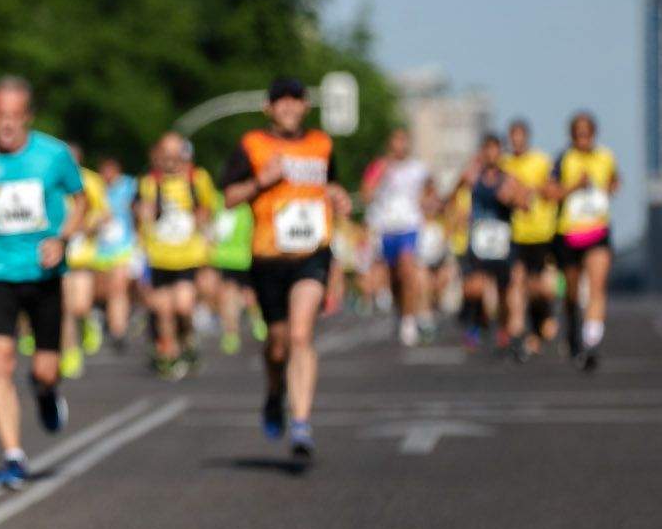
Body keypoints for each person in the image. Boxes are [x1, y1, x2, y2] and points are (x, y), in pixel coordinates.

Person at [0, 76, 85, 489]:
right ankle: (12, 454)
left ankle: (46, 392)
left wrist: (62, 238)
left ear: (27, 116)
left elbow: (81, 203)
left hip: (44, 275)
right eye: (0, 116)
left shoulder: (53, 155)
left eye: (15, 117)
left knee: (45, 369)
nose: (7, 125)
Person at [219, 78, 350, 461]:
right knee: (277, 345)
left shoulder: (322, 145)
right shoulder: (252, 145)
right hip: (268, 257)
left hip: (312, 252)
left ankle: (302, 422)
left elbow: (333, 185)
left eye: (296, 100)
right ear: (269, 108)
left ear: (306, 106)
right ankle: (274, 393)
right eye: (281, 102)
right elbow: (228, 197)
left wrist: (338, 196)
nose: (289, 107)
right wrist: (261, 181)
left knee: (300, 333)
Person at [137, 133, 220, 379]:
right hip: (160, 256)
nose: (171, 160)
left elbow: (209, 209)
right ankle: (169, 354)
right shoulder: (149, 183)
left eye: (176, 154)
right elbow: (143, 217)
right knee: (163, 311)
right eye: (166, 154)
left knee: (183, 306)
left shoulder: (198, 179)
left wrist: (204, 233)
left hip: (188, 256)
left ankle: (188, 340)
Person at [553, 111, 617, 370]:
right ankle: (572, 327)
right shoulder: (564, 159)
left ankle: (591, 342)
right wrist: (575, 187)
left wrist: (610, 188)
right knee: (571, 291)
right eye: (579, 134)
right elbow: (550, 192)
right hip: (569, 233)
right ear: (572, 135)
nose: (583, 138)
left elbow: (614, 180)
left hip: (598, 231)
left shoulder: (605, 157)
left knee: (597, 286)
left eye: (587, 133)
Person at [360, 128, 436, 346]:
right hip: (386, 228)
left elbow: (430, 192)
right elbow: (366, 194)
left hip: (409, 226)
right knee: (395, 279)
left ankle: (409, 321)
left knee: (407, 269)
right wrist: (380, 175)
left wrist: (428, 203)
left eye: (404, 141)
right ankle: (401, 313)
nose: (400, 146)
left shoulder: (418, 169)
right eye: (396, 141)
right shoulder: (380, 166)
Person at [449, 133, 519, 351]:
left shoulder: (508, 179)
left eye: (495, 149)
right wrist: (457, 214)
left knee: (503, 291)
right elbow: (452, 194)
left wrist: (512, 199)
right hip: (478, 239)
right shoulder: (472, 176)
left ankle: (504, 329)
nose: (491, 153)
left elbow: (523, 202)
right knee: (474, 288)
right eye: (487, 148)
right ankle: (475, 326)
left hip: (501, 241)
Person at [501, 118, 558, 360]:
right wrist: (513, 197)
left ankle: (542, 319)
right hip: (516, 235)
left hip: (542, 234)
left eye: (520, 137)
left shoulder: (541, 161)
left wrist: (531, 190)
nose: (516, 142)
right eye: (512, 137)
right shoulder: (504, 165)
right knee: (516, 284)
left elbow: (553, 190)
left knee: (542, 289)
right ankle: (516, 335)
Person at [60, 164, 110, 378]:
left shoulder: (91, 181)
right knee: (65, 307)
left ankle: (89, 321)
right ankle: (70, 352)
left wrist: (87, 226)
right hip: (59, 255)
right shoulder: (52, 180)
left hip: (83, 254)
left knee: (79, 306)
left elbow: (104, 215)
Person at [88, 158, 137, 354]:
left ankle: (118, 332)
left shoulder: (130, 186)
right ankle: (98, 319)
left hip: (123, 247)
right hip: (98, 248)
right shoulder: (95, 187)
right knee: (100, 291)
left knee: (118, 288)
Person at [200, 201, 260, 355]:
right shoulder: (222, 204)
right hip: (227, 259)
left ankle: (249, 324)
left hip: (242, 258)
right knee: (231, 296)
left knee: (245, 294)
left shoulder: (246, 206)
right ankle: (233, 332)